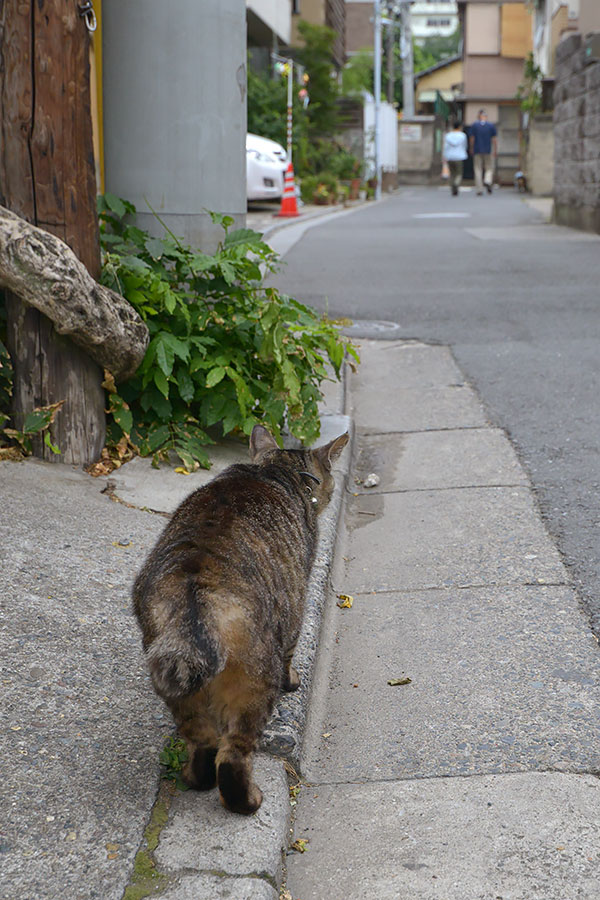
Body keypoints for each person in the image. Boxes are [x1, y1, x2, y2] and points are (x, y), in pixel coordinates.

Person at [469, 109, 497, 195]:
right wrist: (495, 150)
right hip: (488, 150)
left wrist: (471, 148)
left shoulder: (474, 125)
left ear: (479, 116)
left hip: (477, 150)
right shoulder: (491, 126)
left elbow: (472, 138)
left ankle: (479, 189)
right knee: (489, 168)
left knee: (478, 169)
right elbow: (494, 139)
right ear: (486, 117)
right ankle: (487, 180)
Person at [442, 121, 468, 196]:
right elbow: (465, 146)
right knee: (459, 173)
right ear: (460, 127)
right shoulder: (463, 135)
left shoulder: (448, 135)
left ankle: (452, 186)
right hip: (459, 156)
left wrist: (445, 156)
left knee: (452, 173)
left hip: (450, 156)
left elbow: (446, 147)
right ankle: (456, 183)